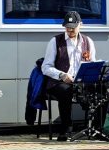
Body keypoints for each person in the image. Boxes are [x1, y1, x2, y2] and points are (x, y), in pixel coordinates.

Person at [41, 11, 97, 141]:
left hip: (80, 81)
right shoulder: (55, 41)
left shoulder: (88, 41)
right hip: (59, 82)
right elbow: (46, 67)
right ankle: (65, 130)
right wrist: (62, 75)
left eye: (73, 27)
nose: (70, 30)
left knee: (101, 90)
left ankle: (95, 128)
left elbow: (92, 64)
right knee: (65, 91)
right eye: (67, 27)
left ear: (80, 25)